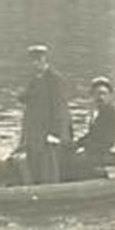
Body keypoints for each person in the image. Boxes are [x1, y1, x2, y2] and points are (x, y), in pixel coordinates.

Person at [18, 44, 71, 185]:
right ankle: (34, 187)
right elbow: (26, 99)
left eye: (38, 60)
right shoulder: (34, 79)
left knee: (48, 164)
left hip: (48, 130)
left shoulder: (55, 79)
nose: (35, 63)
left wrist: (55, 133)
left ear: (44, 59)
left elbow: (59, 107)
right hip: (34, 130)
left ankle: (50, 190)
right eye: (33, 61)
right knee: (33, 159)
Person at [65, 76, 115, 180]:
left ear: (109, 96)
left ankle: (78, 185)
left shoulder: (112, 114)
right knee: (68, 155)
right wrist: (75, 144)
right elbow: (92, 135)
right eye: (97, 94)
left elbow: (108, 140)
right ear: (92, 95)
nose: (100, 97)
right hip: (98, 151)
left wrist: (86, 150)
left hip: (108, 153)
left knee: (76, 160)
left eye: (103, 94)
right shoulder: (96, 113)